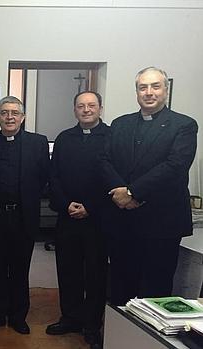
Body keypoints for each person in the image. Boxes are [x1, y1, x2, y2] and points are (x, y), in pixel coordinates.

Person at [100, 67, 198, 306]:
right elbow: (104, 160)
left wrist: (132, 192)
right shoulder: (120, 124)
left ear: (166, 89)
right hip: (124, 222)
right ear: (137, 92)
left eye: (155, 86)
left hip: (161, 224)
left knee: (155, 288)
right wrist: (119, 192)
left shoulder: (184, 125)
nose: (149, 92)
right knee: (120, 284)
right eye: (143, 87)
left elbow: (175, 166)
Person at [0, 96, 49, 335]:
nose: (9, 117)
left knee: (20, 269)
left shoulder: (37, 143)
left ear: (23, 117)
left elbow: (43, 179)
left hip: (23, 216)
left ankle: (18, 316)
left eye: (14, 113)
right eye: (4, 113)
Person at [46, 91, 110, 348]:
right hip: (67, 217)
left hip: (98, 219)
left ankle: (92, 325)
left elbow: (113, 178)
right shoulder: (64, 138)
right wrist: (65, 204)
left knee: (95, 273)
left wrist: (90, 208)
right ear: (74, 110)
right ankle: (70, 317)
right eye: (81, 106)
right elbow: (54, 177)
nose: (86, 110)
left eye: (91, 106)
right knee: (68, 270)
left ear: (100, 109)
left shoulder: (112, 137)